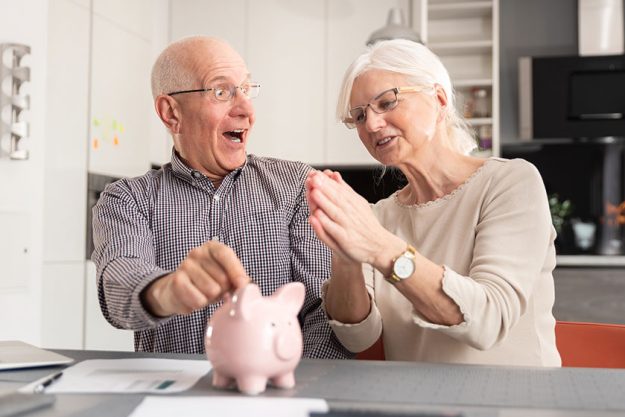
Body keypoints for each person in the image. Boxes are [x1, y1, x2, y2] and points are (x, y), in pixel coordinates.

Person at [92, 36, 352, 359]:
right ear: (171, 113)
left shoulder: (297, 186)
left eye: (246, 89)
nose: (246, 109)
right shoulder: (127, 199)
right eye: (221, 92)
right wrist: (169, 291)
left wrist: (287, 387)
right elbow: (118, 288)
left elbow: (326, 315)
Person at [305, 39, 561, 366]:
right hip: (418, 403)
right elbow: (357, 336)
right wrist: (345, 253)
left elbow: (488, 320)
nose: (371, 124)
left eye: (386, 102)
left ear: (438, 100)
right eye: (359, 116)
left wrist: (381, 248)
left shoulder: (510, 182)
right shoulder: (379, 217)